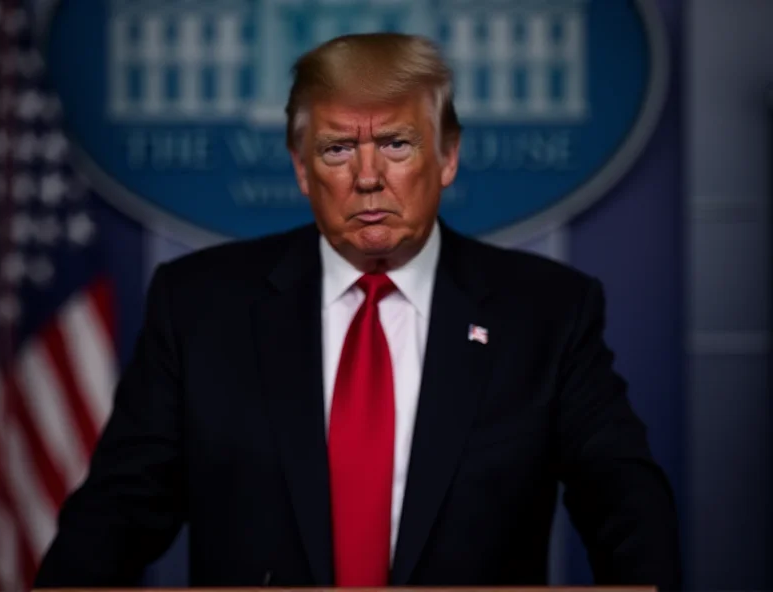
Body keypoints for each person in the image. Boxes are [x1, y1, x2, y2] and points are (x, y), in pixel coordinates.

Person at [34, 32, 681, 588]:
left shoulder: (545, 311)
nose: (367, 176)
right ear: (300, 168)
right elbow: (118, 513)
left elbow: (623, 499)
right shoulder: (200, 305)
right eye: (338, 149)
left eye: (397, 145)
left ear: (448, 155)